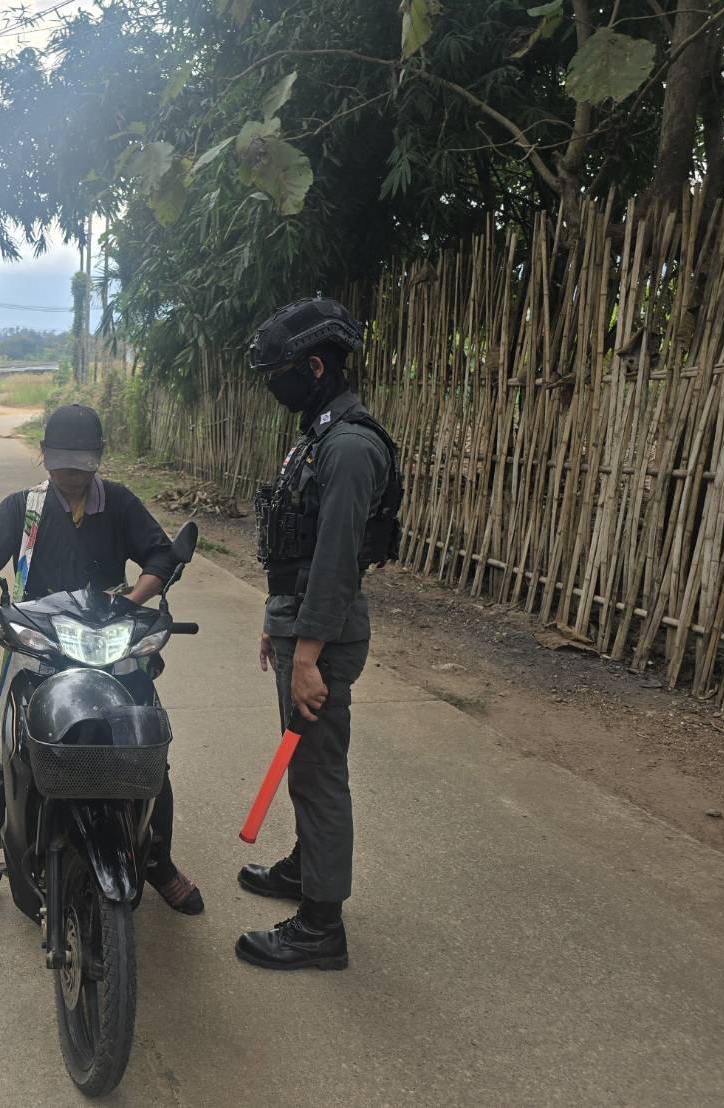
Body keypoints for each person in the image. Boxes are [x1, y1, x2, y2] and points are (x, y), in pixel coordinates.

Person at [0, 403, 204, 928]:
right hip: (38, 646)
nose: (70, 473)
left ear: (99, 457)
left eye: (81, 463)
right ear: (43, 455)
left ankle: (157, 858)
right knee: (0, 750)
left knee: (146, 747)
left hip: (109, 645)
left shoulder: (120, 503)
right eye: (60, 462)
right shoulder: (24, 507)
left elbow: (161, 554)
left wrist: (133, 599)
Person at [235, 296, 401, 972]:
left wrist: (307, 654)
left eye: (281, 373)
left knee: (317, 772)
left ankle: (320, 927)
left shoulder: (351, 447)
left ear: (314, 367)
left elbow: (334, 563)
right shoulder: (318, 435)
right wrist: (276, 622)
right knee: (303, 765)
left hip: (323, 638)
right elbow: (293, 546)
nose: (274, 386)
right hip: (300, 623)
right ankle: (307, 868)